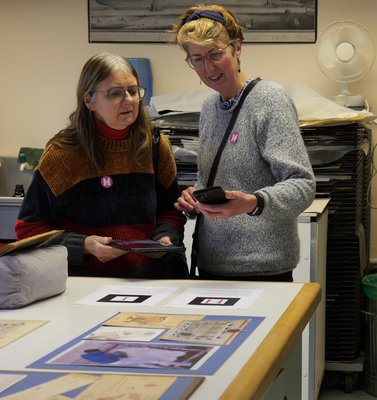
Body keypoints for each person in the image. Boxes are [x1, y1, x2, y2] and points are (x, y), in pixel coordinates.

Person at [170, 5, 316, 282]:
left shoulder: (269, 100)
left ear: (237, 48)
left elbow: (302, 185)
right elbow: (211, 179)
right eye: (197, 59)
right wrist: (196, 196)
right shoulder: (210, 107)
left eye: (215, 54)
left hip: (262, 269)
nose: (208, 67)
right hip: (211, 264)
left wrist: (253, 203)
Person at [15, 52, 187, 278]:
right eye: (115, 93)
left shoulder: (154, 146)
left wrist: (165, 236)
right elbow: (28, 230)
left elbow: (170, 212)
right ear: (89, 100)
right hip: (85, 285)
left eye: (133, 91)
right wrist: (84, 245)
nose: (129, 100)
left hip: (150, 279)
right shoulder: (63, 154)